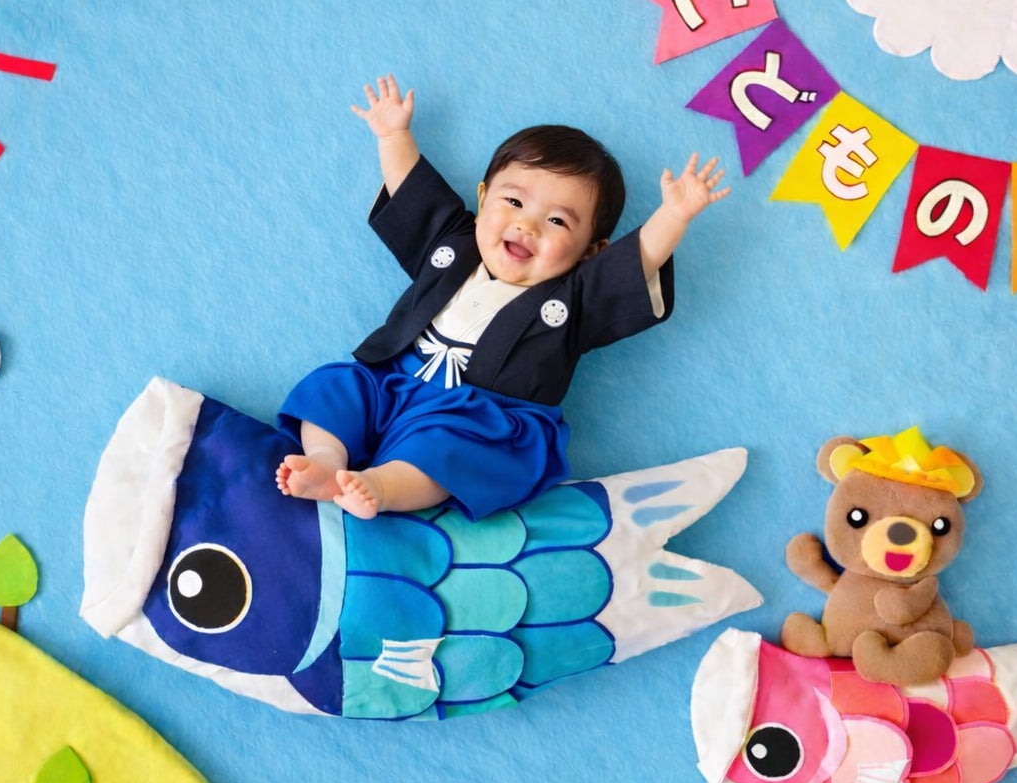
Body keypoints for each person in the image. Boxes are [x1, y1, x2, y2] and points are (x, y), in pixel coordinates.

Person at [276, 74, 729, 521]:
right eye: (513, 202)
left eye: (557, 221)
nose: (526, 225)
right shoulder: (453, 243)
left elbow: (635, 262)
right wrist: (394, 136)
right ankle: (326, 462)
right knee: (337, 386)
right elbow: (414, 192)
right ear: (483, 197)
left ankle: (381, 486)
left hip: (481, 418)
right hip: (393, 380)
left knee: (447, 451)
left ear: (592, 252)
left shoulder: (574, 300)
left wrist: (674, 215)